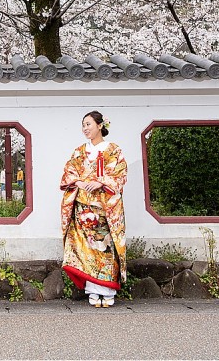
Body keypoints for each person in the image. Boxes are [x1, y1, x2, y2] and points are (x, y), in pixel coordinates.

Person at [60, 110, 127, 308]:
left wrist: (100, 182)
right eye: (83, 125)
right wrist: (79, 183)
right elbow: (68, 173)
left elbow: (120, 174)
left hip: (104, 207)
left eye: (88, 124)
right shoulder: (79, 151)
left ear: (100, 125)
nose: (85, 129)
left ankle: (107, 290)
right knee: (86, 246)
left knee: (106, 245)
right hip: (83, 206)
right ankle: (92, 290)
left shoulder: (113, 150)